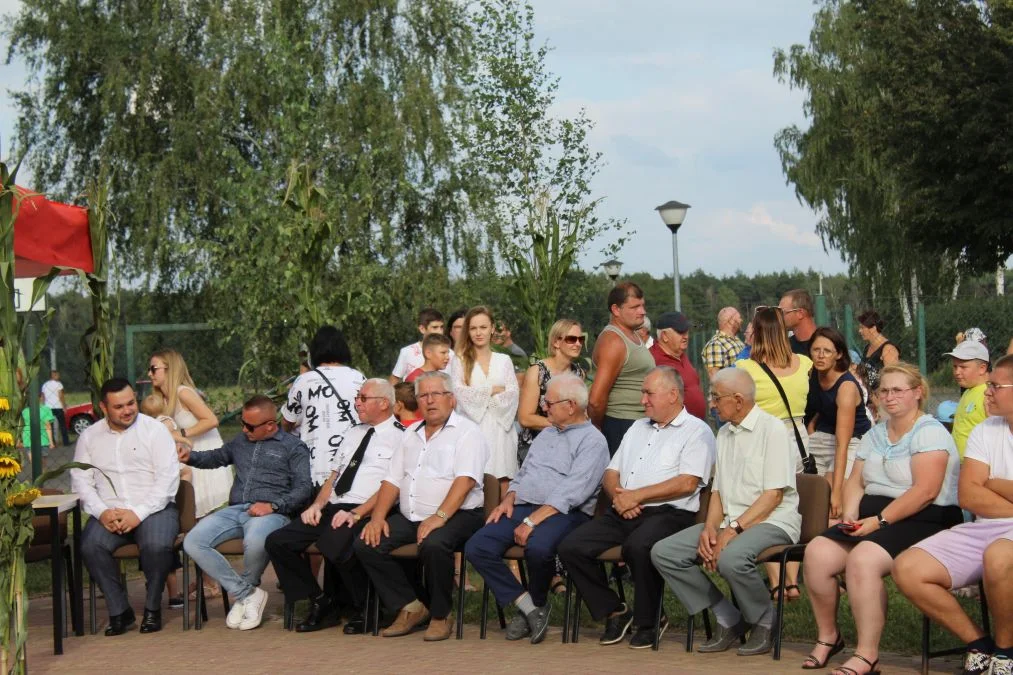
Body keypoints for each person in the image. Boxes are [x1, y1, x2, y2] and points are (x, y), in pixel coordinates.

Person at [800, 363, 961, 675]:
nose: (889, 397)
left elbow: (925, 491)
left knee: (863, 559)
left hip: (925, 518)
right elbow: (856, 482)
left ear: (918, 393)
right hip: (874, 517)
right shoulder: (875, 433)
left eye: (898, 390)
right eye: (883, 391)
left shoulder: (929, 432)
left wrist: (879, 522)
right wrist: (849, 514)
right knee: (817, 553)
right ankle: (829, 636)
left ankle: (867, 654)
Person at [559, 366, 715, 649]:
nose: (642, 400)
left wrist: (638, 496)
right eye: (643, 393)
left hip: (671, 514)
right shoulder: (637, 427)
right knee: (571, 546)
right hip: (624, 509)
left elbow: (687, 483)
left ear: (673, 395)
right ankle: (615, 611)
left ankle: (650, 620)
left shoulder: (697, 431)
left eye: (648, 393)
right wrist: (621, 498)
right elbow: (610, 473)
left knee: (638, 546)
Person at [650, 367, 800, 657]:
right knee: (664, 552)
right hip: (733, 522)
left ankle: (766, 621)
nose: (711, 403)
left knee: (731, 558)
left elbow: (773, 495)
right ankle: (729, 617)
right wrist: (709, 528)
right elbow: (718, 490)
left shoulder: (773, 430)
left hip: (773, 521)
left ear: (739, 400)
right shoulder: (724, 433)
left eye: (716, 397)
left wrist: (732, 531)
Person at [466, 374, 608, 644]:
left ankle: (538, 602)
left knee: (539, 547)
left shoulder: (593, 441)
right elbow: (523, 473)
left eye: (549, 402)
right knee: (477, 546)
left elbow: (574, 491)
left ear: (571, 405)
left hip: (566, 513)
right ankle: (530, 608)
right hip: (523, 506)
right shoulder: (546, 435)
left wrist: (532, 521)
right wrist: (508, 499)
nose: (544, 406)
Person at [893, 355, 1013, 675]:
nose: (987, 392)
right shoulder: (987, 429)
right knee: (907, 567)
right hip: (986, 526)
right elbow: (970, 495)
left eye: (996, 386)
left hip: (1001, 541)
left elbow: (981, 485)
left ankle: (1006, 651)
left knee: (999, 556)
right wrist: (993, 486)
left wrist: (993, 482)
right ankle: (978, 642)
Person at [353, 372, 489, 642]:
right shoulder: (410, 434)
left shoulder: (468, 432)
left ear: (451, 399)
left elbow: (465, 481)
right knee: (367, 542)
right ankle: (411, 606)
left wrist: (439, 517)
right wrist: (378, 517)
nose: (429, 400)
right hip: (412, 515)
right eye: (423, 395)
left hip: (459, 514)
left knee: (435, 544)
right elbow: (392, 480)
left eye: (436, 394)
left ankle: (441, 615)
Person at [266, 379, 403, 634]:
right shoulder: (353, 432)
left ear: (384, 403)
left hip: (365, 509)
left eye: (363, 398)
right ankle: (320, 601)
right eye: (357, 397)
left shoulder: (401, 438)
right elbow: (334, 476)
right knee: (277, 541)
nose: (357, 402)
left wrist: (356, 512)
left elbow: (391, 486)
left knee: (334, 543)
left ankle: (368, 607)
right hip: (334, 504)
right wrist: (318, 504)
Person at [180, 395, 312, 631]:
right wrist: (189, 457)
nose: (243, 429)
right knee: (192, 541)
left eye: (249, 426)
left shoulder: (294, 447)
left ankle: (245, 596)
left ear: (270, 425)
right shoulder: (240, 442)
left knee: (256, 541)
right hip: (235, 509)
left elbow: (304, 488)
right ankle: (247, 594)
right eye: (242, 423)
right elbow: (215, 457)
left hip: (271, 513)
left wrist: (273, 506)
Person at [72, 378, 180, 636]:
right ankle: (120, 611)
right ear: (103, 407)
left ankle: (153, 609)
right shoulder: (89, 437)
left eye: (131, 403)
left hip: (154, 509)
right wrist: (102, 512)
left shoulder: (155, 430)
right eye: (119, 406)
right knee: (89, 545)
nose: (128, 410)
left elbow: (167, 479)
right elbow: (80, 481)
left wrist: (138, 513)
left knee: (156, 546)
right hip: (109, 512)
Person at [735, 307, 812, 598]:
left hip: (762, 441)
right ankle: (793, 580)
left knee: (765, 506)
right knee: (792, 506)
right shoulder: (804, 363)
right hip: (797, 437)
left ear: (756, 332)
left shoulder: (746, 369)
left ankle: (777, 582)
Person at [148, 348, 233, 520]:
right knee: (191, 513)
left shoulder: (183, 392)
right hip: (186, 454)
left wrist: (181, 433)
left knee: (203, 513)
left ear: (169, 368)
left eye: (153, 368)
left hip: (203, 451)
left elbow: (211, 420)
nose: (149, 374)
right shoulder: (162, 399)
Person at [282, 325, 365, 490]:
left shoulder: (304, 380)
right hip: (351, 463)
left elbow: (287, 422)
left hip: (314, 467)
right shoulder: (359, 378)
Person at [805, 327, 871, 519]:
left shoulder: (847, 387)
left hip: (851, 441)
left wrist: (836, 493)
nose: (820, 356)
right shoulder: (813, 374)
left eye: (827, 351)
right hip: (822, 435)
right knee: (803, 490)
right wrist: (812, 427)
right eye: (816, 350)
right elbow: (821, 404)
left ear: (839, 354)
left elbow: (842, 443)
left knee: (826, 496)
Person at [452, 306, 519, 497]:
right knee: (474, 475)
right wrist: (492, 390)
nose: (478, 333)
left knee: (504, 477)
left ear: (492, 328)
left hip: (501, 426)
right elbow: (459, 392)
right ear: (468, 331)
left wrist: (481, 395)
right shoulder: (460, 360)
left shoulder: (504, 359)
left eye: (483, 327)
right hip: (474, 426)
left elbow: (513, 393)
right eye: (473, 328)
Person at [589, 282, 653, 456]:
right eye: (635, 307)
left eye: (643, 306)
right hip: (622, 424)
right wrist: (597, 428)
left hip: (636, 423)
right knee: (624, 482)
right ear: (616, 310)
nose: (642, 311)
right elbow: (596, 400)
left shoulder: (632, 335)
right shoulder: (613, 341)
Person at [517, 319, 587, 449]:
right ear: (556, 342)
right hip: (536, 445)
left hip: (566, 445)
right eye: (571, 339)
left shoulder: (578, 373)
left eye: (580, 339)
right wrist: (562, 425)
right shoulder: (537, 371)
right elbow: (525, 418)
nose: (578, 344)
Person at [648, 311, 706, 420]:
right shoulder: (652, 359)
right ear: (665, 336)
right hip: (672, 429)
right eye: (681, 332)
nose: (686, 337)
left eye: (687, 332)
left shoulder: (681, 355)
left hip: (695, 428)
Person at [946, 340, 991, 459]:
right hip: (959, 463)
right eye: (955, 367)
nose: (957, 372)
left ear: (982, 368)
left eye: (963, 367)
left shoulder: (989, 394)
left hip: (978, 465)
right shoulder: (968, 391)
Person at [390, 308, 454, 384]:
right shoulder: (407, 352)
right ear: (422, 329)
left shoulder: (451, 354)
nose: (440, 331)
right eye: (435, 327)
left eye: (442, 327)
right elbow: (394, 378)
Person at [857, 309, 900, 392]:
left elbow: (892, 380)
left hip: (881, 397)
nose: (859, 331)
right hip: (868, 395)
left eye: (862, 328)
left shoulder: (888, 349)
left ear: (873, 328)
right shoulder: (867, 347)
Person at [701, 307, 745, 380]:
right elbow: (715, 380)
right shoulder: (716, 344)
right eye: (739, 317)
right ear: (731, 321)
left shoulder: (737, 340)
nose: (741, 320)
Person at [778, 289, 817, 355]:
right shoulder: (784, 348)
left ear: (800, 313)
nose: (778, 317)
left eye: (782, 312)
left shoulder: (828, 344)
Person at [41, 369, 69, 446]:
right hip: (58, 406)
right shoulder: (59, 384)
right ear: (53, 375)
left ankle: (52, 442)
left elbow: (43, 397)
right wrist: (64, 406)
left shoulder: (44, 385)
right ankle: (66, 442)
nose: (58, 376)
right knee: (62, 424)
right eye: (57, 375)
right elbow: (61, 396)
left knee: (50, 426)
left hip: (48, 407)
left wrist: (43, 406)